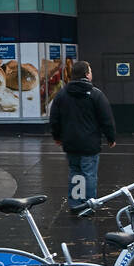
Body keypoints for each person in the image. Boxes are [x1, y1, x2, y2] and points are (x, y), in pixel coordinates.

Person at [49, 60, 116, 213]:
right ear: (86, 74)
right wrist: (111, 137)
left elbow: (54, 118)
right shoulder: (95, 94)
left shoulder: (62, 94)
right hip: (89, 143)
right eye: (90, 71)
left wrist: (57, 136)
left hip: (70, 143)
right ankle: (88, 205)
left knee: (75, 172)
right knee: (89, 174)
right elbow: (106, 118)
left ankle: (75, 204)